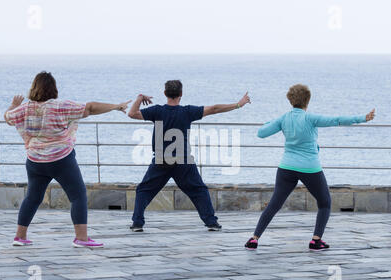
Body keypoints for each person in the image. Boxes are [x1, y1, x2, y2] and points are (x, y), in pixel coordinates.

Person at [5, 71, 131, 248]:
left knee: (33, 197)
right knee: (78, 195)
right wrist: (116, 106)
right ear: (53, 89)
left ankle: (20, 237)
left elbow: (8, 118)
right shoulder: (60, 106)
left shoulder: (24, 109)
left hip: (35, 161)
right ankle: (81, 238)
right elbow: (90, 108)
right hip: (61, 160)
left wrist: (13, 105)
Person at [245, 84, 375, 251]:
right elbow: (337, 120)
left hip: (286, 167)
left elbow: (261, 133)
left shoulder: (284, 118)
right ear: (307, 100)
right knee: (325, 202)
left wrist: (274, 121)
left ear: (290, 100)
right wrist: (363, 118)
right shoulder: (310, 118)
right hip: (310, 168)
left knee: (274, 204)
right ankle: (316, 240)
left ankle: (254, 239)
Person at [128, 80, 251, 232]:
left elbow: (132, 113)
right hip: (183, 161)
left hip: (161, 160)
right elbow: (214, 109)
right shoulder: (187, 112)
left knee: (144, 190)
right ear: (181, 94)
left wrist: (140, 98)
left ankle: (137, 223)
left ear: (165, 94)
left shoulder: (157, 111)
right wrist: (238, 104)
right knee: (199, 190)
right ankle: (211, 222)